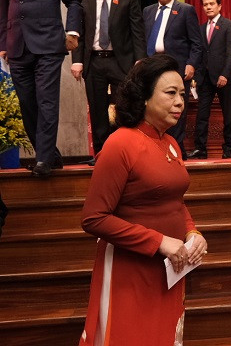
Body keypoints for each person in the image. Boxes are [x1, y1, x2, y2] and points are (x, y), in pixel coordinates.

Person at [79, 54, 208, 345]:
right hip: (130, 270)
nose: (180, 102)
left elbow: (175, 201)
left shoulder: (170, 143)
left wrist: (192, 232)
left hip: (169, 268)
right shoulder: (121, 143)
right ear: (145, 97)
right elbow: (94, 218)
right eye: (171, 93)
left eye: (183, 94)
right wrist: (159, 241)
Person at [0, 0, 82, 177]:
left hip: (48, 46)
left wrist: (72, 32)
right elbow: (3, 10)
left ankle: (43, 160)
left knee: (46, 101)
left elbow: (73, 1)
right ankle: (51, 156)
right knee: (27, 104)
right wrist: (3, 43)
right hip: (17, 47)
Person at [71, 0, 146, 165]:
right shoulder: (83, 0)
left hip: (121, 62)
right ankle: (101, 154)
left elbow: (137, 32)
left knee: (125, 107)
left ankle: (127, 152)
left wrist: (140, 60)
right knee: (97, 109)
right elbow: (79, 34)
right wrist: (77, 60)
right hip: (93, 62)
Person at [143, 0, 204, 159]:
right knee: (155, 107)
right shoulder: (148, 11)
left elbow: (197, 43)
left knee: (176, 108)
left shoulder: (185, 10)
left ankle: (175, 150)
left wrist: (191, 64)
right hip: (153, 67)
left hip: (177, 68)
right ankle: (159, 149)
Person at [187, 0, 231, 159]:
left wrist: (225, 74)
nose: (208, 7)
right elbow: (200, 53)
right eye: (205, 4)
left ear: (219, 6)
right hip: (205, 78)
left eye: (211, 4)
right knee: (202, 115)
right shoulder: (201, 28)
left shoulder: (229, 25)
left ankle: (228, 148)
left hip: (224, 77)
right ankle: (200, 149)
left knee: (228, 115)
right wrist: (196, 75)